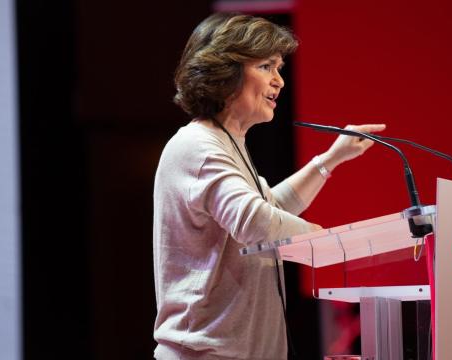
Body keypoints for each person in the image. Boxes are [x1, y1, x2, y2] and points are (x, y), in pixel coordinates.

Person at [152, 13, 385, 360]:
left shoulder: (228, 144)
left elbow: (271, 209)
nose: (279, 81)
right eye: (266, 67)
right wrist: (326, 240)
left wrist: (330, 159)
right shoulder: (198, 147)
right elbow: (257, 223)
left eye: (279, 68)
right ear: (225, 72)